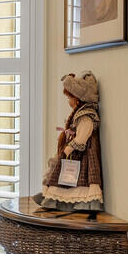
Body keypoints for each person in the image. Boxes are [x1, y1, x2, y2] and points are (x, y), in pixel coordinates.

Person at [35, 71, 104, 213]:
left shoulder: (86, 116)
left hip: (82, 155)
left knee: (82, 177)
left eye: (70, 97)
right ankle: (57, 198)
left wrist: (70, 148)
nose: (68, 101)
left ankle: (82, 201)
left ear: (78, 99)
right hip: (74, 154)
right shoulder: (79, 114)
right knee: (64, 175)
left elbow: (82, 137)